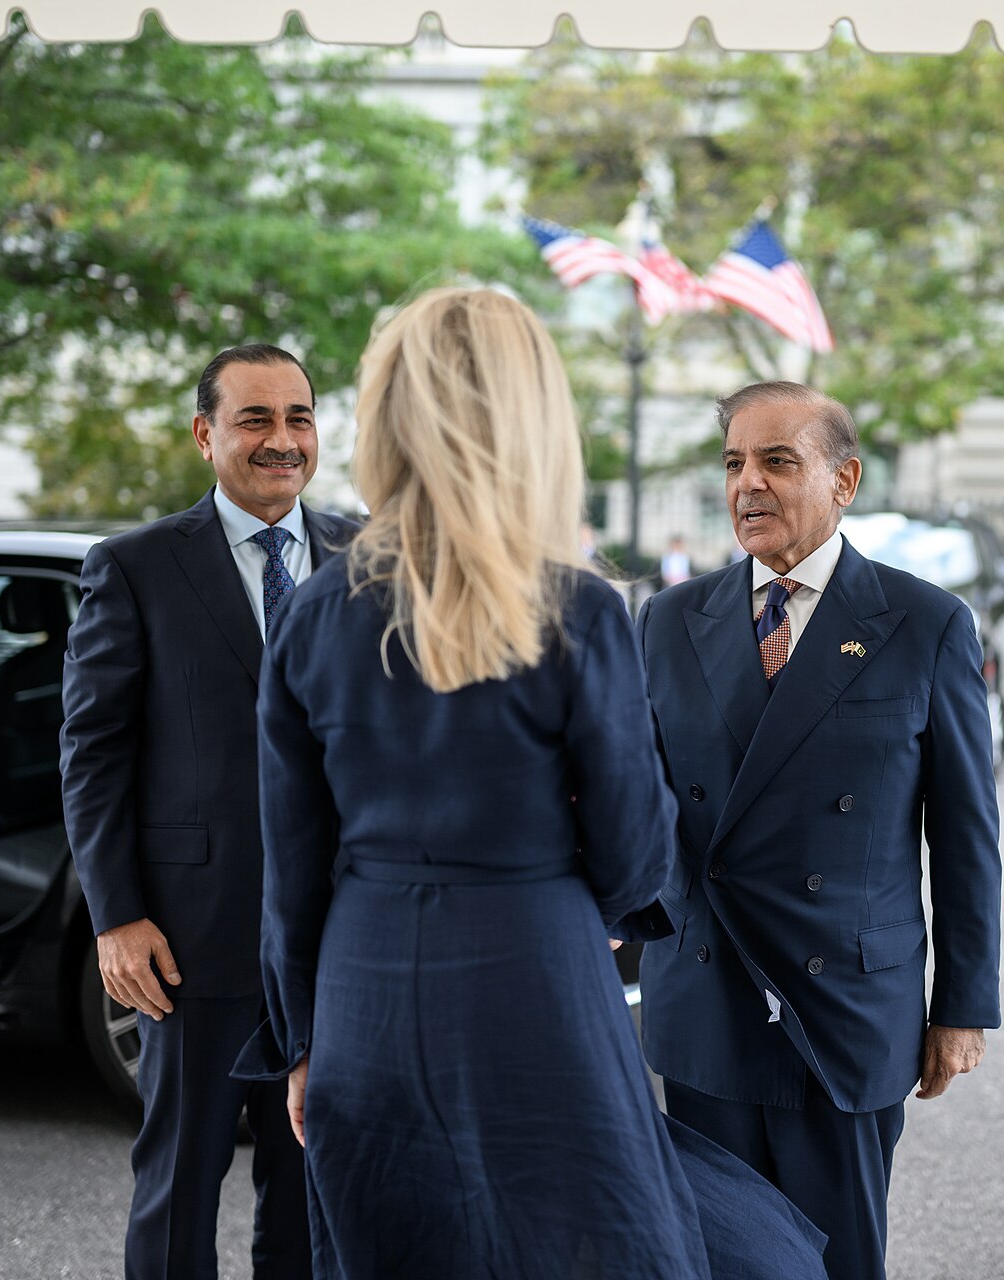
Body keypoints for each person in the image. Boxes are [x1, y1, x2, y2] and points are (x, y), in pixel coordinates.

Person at [235, 288, 825, 1280]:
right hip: (537, 969)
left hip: (364, 985)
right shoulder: (579, 608)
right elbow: (638, 844)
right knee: (581, 1240)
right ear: (531, 419)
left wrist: (301, 1040)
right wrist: (561, 896)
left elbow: (289, 867)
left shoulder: (311, 613)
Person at [634, 381, 1002, 1280]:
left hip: (842, 1011)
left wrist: (961, 1003)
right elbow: (632, 813)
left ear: (845, 480)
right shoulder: (670, 619)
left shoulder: (925, 623)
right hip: (706, 1003)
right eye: (733, 463)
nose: (747, 485)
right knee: (712, 1258)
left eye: (776, 460)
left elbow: (965, 836)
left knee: (835, 1261)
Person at [60, 343, 355, 1280]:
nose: (282, 441)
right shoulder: (135, 567)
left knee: (314, 1193)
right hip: (191, 936)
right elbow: (93, 753)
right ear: (205, 433)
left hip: (344, 937)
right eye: (255, 419)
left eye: (298, 418)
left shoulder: (372, 556)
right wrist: (114, 915)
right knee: (180, 1182)